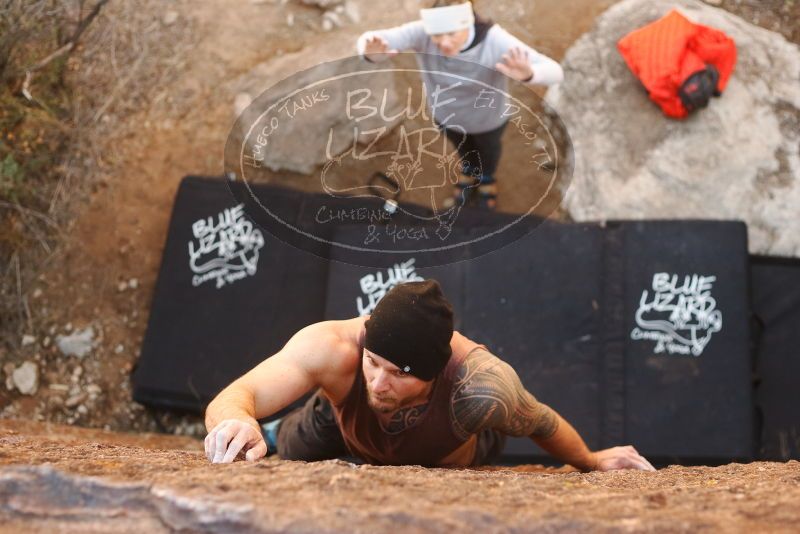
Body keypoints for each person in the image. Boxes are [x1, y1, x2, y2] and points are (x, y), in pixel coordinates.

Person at [204, 280, 655, 472]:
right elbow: (237, 394)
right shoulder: (332, 348)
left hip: (451, 447)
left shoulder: (482, 386)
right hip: (342, 427)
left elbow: (542, 422)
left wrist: (592, 461)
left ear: (436, 373)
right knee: (294, 442)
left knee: (479, 436)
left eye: (399, 375)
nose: (380, 384)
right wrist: (237, 420)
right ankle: (276, 430)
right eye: (374, 363)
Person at [355, 0, 564, 210]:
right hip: (447, 117)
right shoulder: (423, 32)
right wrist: (369, 53)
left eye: (453, 34)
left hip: (488, 121)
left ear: (469, 23)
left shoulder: (494, 40)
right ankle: (469, 170)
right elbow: (371, 39)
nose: (444, 43)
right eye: (437, 35)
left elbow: (555, 72)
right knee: (463, 149)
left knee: (489, 152)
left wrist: (530, 74)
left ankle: (486, 178)